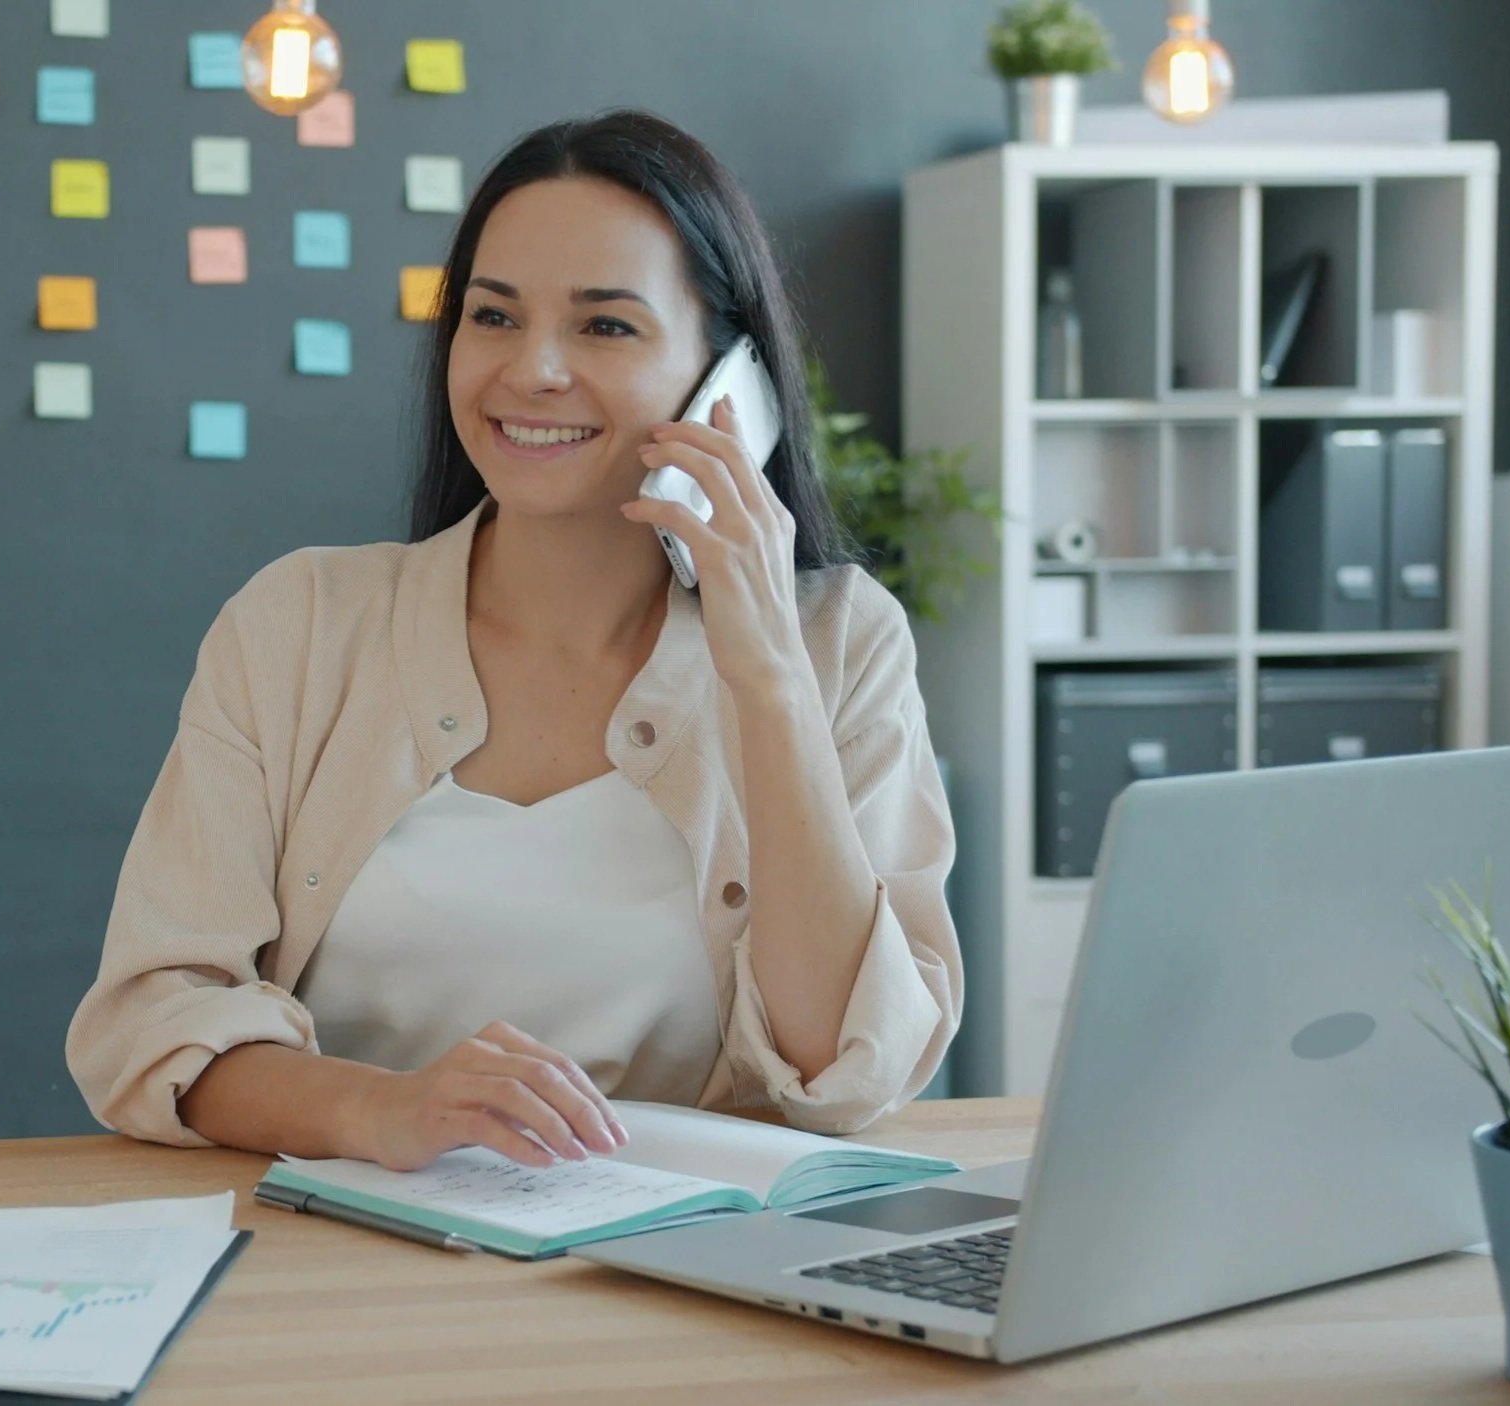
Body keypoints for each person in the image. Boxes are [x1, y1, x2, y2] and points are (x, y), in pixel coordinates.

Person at [66, 108, 961, 1174]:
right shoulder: (298, 623)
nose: (532, 369)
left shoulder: (840, 643)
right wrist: (384, 1110)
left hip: (687, 1277)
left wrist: (767, 672)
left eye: (605, 326)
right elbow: (152, 1021)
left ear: (732, 386)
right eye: (493, 317)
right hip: (332, 1268)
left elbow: (845, 1073)